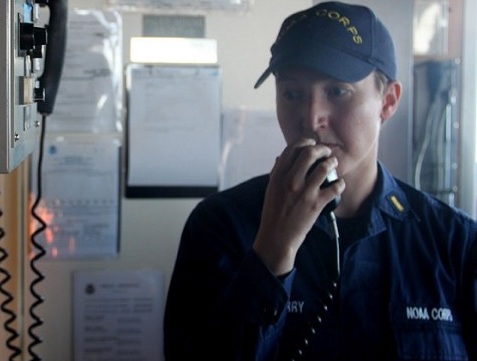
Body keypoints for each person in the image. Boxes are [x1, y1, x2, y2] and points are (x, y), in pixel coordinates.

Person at [163, 2, 477, 360]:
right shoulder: (219, 226)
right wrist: (272, 252)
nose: (311, 119)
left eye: (337, 91)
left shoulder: (454, 243)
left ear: (387, 102)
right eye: (291, 94)